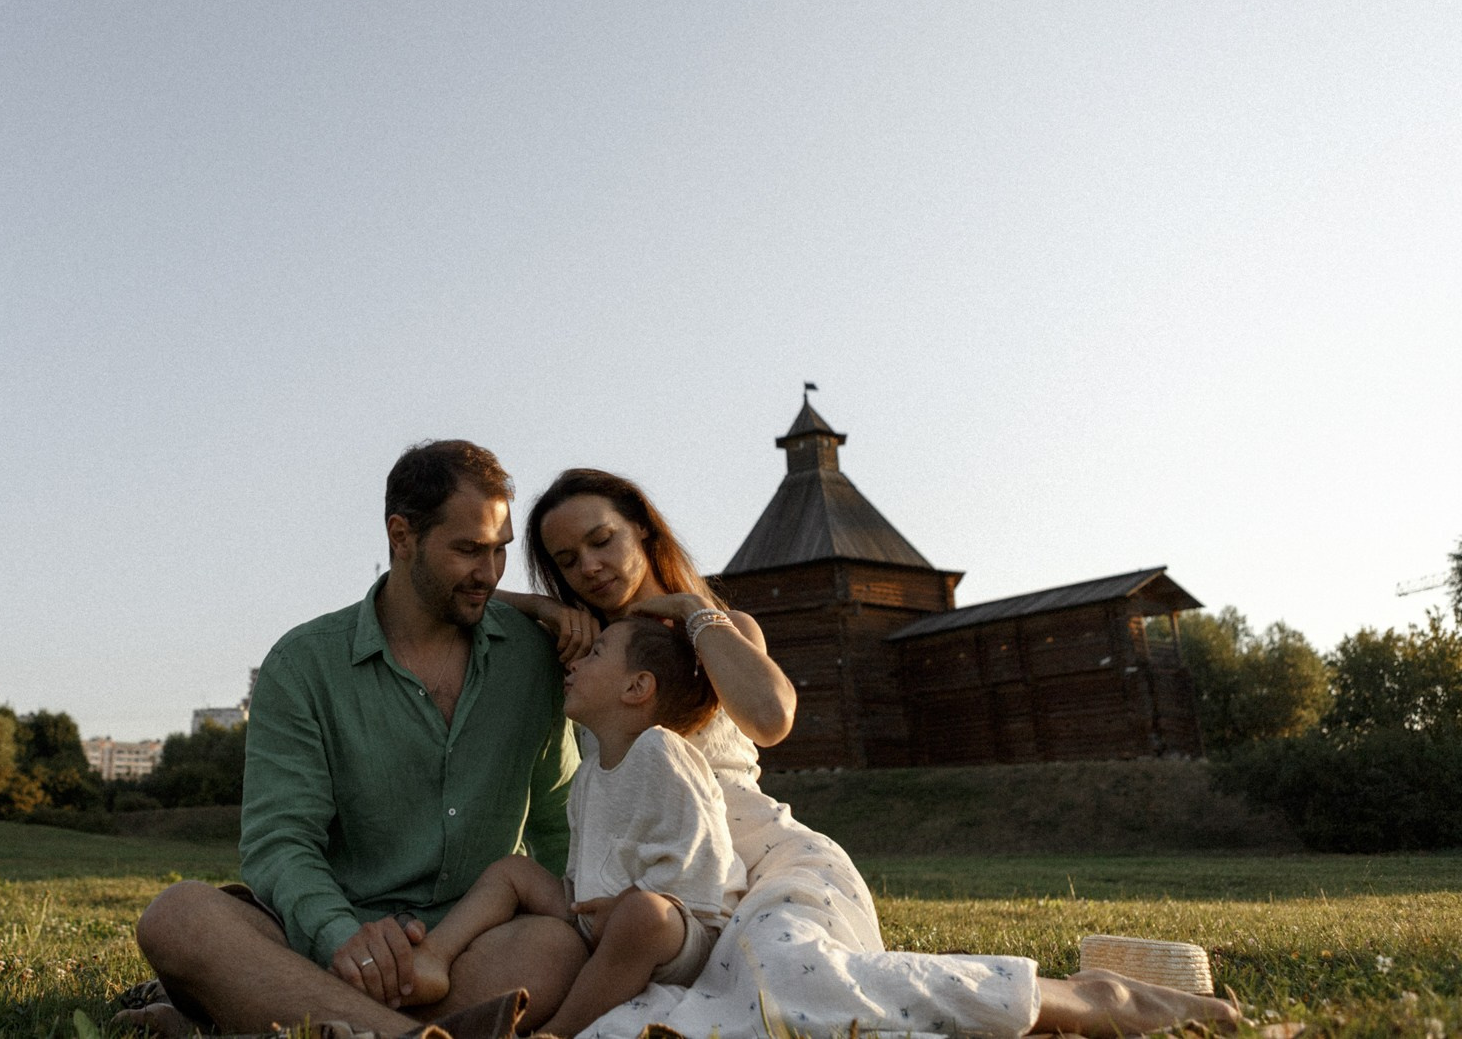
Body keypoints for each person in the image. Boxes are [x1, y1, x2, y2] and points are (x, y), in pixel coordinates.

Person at [492, 467, 1242, 1039]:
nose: (589, 565)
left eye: (602, 540)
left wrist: (693, 611)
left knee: (792, 977)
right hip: (668, 885)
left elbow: (770, 716)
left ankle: (1089, 998)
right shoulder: (588, 658)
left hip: (762, 862)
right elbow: (468, 597)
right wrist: (542, 608)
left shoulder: (717, 627)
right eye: (567, 560)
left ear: (643, 533)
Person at [119, 441, 585, 1039]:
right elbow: (280, 842)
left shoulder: (532, 660)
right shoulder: (303, 664)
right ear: (401, 535)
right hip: (320, 943)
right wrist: (345, 939)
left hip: (465, 947)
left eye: (500, 552)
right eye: (468, 550)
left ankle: (264, 1022)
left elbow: (558, 823)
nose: (489, 574)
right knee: (178, 918)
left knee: (553, 948)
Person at [409, 615, 746, 1038]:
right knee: (515, 870)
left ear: (636, 687)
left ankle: (558, 1031)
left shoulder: (660, 752)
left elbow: (702, 854)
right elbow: (584, 860)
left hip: (677, 928)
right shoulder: (588, 774)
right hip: (597, 918)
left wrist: (628, 901)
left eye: (595, 655)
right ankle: (433, 956)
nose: (573, 664)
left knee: (642, 916)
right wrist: (578, 898)